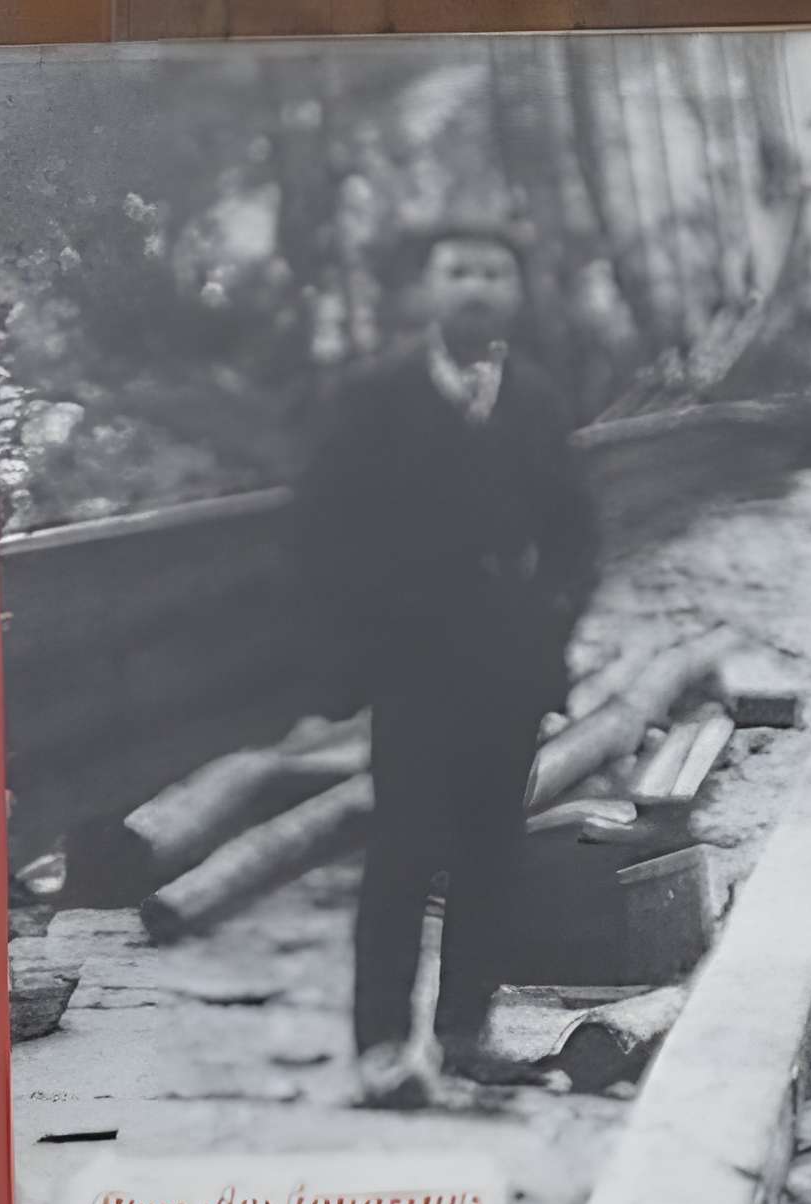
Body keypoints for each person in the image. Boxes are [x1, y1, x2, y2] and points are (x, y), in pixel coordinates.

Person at [292, 222, 604, 1109]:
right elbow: (321, 531)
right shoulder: (376, 396)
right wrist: (352, 655)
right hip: (413, 664)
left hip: (509, 665)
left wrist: (552, 621)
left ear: (515, 292)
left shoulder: (537, 399)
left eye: (494, 273)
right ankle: (381, 1047)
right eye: (458, 272)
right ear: (427, 290)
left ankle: (467, 1033)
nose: (476, 288)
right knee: (403, 849)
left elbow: (578, 531)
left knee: (490, 850)